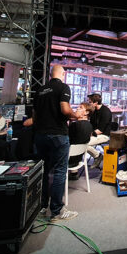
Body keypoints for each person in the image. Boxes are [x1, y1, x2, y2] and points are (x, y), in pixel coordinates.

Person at [33, 65, 78, 222]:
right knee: (59, 171)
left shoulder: (40, 90)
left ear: (50, 75)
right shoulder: (63, 87)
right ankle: (57, 211)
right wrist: (76, 115)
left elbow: (35, 116)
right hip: (58, 135)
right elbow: (65, 110)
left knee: (44, 171)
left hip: (40, 135)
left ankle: (42, 207)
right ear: (63, 74)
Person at [85, 93, 112, 169]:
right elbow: (91, 125)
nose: (89, 104)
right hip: (95, 134)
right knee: (80, 141)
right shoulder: (94, 111)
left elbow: (100, 130)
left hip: (104, 135)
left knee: (84, 143)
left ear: (96, 103)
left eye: (90, 102)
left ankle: (98, 156)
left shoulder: (106, 112)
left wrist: (88, 135)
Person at [68, 103, 93, 180]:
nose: (77, 109)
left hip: (68, 161)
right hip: (77, 160)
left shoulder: (75, 125)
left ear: (86, 112)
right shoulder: (89, 126)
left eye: (80, 107)